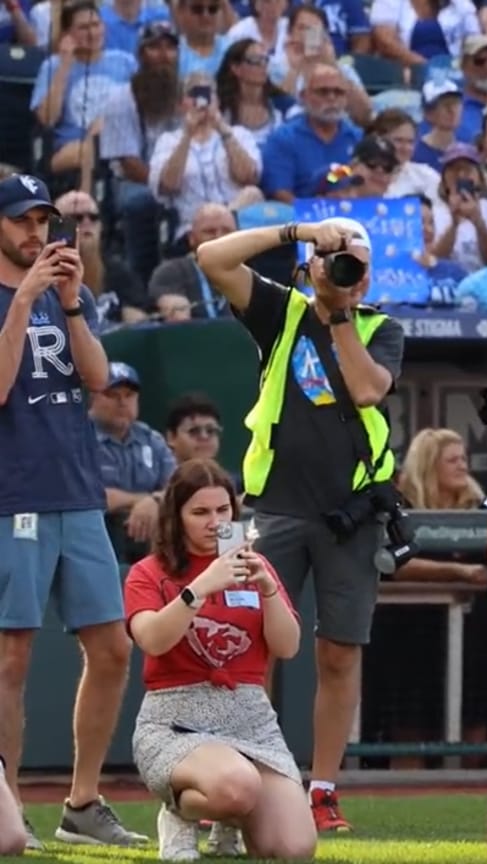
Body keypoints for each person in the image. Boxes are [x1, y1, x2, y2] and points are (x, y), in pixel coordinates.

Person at [193, 215, 406, 832]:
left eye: (355, 268)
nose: (346, 275)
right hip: (273, 507)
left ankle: (322, 786)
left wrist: (339, 313)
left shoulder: (380, 327)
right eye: (336, 262)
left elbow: (368, 391)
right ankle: (240, 768)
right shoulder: (281, 312)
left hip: (352, 514)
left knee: (339, 650)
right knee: (248, 640)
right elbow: (212, 257)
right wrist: (299, 231)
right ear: (307, 267)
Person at [0, 173, 147, 850]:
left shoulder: (70, 294)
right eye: (22, 221)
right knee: (12, 657)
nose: (37, 234)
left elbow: (97, 380)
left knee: (112, 649)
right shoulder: (15, 295)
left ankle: (83, 803)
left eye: (43, 221)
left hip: (78, 490)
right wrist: (23, 302)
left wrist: (71, 304)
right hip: (14, 496)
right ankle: (7, 806)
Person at [123, 459, 315, 862]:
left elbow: (288, 646)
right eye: (200, 513)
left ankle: (231, 821)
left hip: (250, 718)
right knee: (236, 787)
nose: (214, 522)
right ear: (176, 518)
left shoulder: (253, 566)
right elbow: (152, 640)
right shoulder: (148, 572)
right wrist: (199, 588)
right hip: (175, 720)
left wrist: (267, 590)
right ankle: (179, 813)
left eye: (222, 511)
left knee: (292, 848)